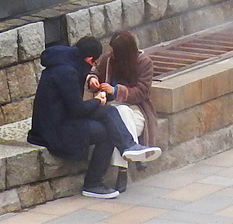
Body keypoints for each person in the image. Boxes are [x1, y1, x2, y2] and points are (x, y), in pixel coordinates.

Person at [27, 35, 160, 199]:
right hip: (54, 130)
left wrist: (96, 87)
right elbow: (77, 110)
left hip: (63, 118)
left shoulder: (68, 63)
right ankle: (92, 184)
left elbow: (75, 107)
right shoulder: (66, 72)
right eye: (94, 62)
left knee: (110, 113)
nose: (95, 65)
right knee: (105, 132)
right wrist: (97, 100)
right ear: (89, 59)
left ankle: (129, 146)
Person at [91, 30, 159, 166]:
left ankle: (124, 168)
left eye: (115, 51)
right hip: (112, 107)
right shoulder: (108, 59)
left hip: (137, 109)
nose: (112, 54)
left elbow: (141, 92)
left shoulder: (144, 63)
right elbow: (94, 72)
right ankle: (129, 160)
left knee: (120, 127)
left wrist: (116, 91)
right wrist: (92, 80)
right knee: (121, 115)